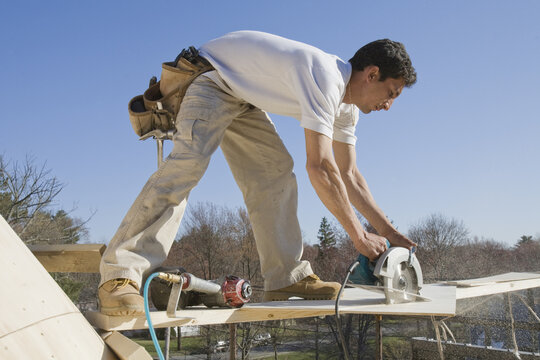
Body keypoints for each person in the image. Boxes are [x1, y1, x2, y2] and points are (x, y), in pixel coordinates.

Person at [98, 30, 417, 316]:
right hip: (212, 77)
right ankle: (121, 273)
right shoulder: (326, 76)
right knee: (189, 162)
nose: (389, 105)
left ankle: (285, 278)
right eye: (392, 93)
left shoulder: (346, 109)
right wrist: (359, 237)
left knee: (274, 171)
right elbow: (320, 167)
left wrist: (389, 233)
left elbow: (348, 174)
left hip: (244, 96)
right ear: (372, 74)